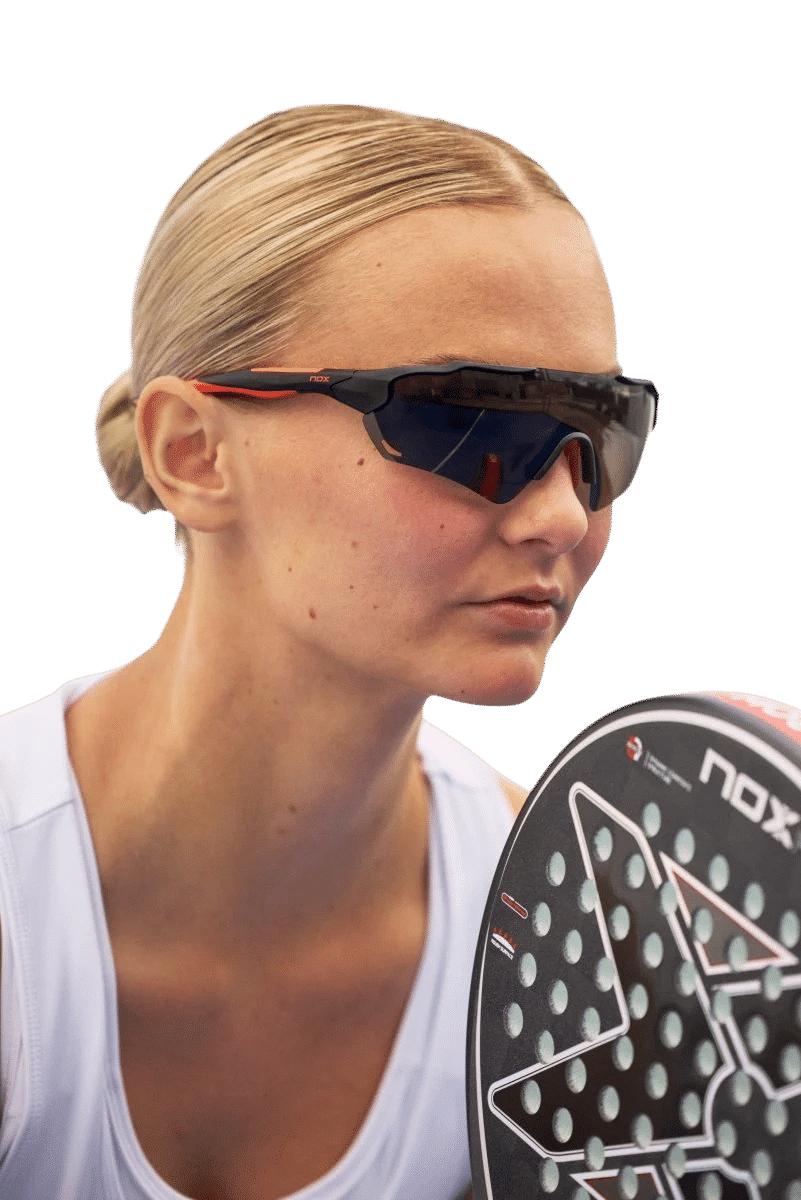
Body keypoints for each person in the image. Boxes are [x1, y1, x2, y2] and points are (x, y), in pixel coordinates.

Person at [0, 104, 657, 1200]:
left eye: (602, 429)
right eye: (467, 422)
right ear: (193, 452)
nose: (560, 514)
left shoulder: (567, 933)